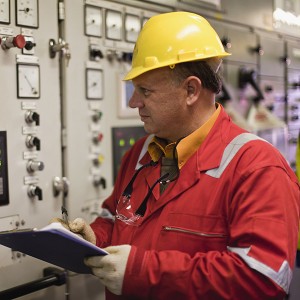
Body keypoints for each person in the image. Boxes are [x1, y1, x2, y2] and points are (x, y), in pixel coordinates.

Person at [59, 11, 300, 299]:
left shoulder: (257, 168)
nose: (135, 102)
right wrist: (94, 237)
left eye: (145, 91)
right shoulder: (141, 153)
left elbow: (261, 281)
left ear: (190, 90)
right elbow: (116, 219)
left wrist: (141, 271)